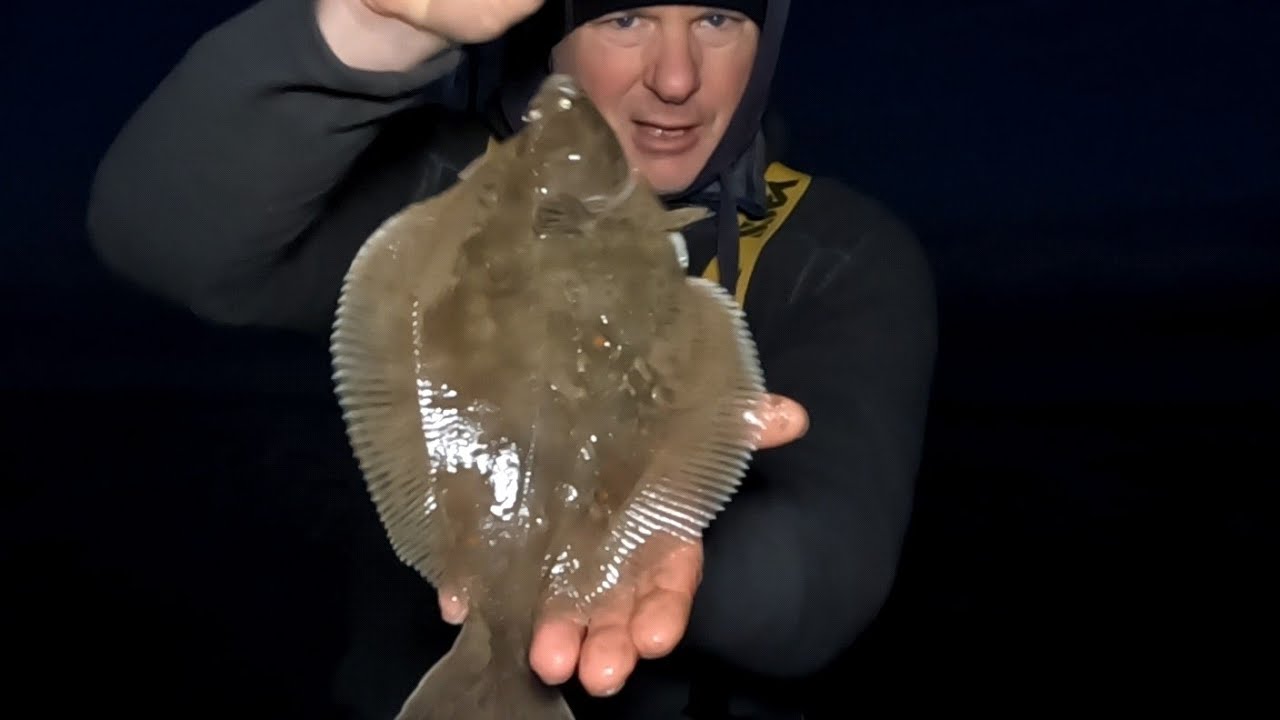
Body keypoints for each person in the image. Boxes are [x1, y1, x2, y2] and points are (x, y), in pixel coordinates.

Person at [86, 0, 938, 717]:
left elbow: (828, 577)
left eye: (717, 18)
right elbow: (162, 239)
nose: (677, 78)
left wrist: (660, 548)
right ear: (547, 38)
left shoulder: (840, 253)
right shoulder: (444, 194)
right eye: (627, 16)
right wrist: (362, 25)